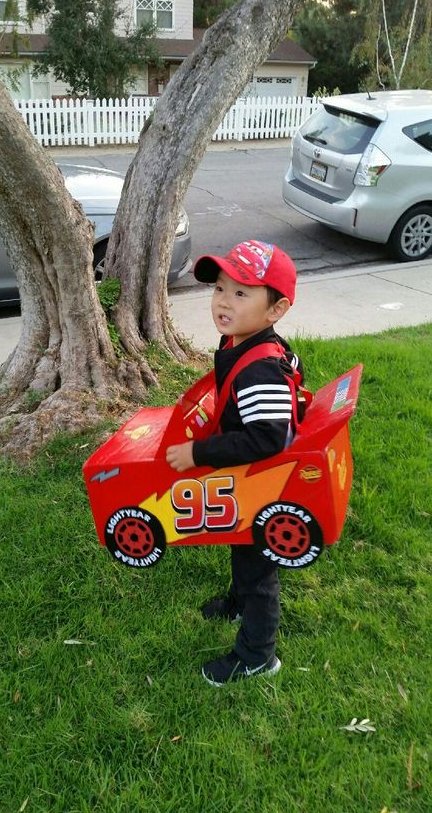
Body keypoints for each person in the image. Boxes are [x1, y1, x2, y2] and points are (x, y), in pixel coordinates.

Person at [166, 239, 303, 687]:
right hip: (247, 481)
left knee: (256, 565)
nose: (224, 301)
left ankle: (257, 655)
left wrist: (199, 454)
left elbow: (266, 438)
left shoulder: (260, 367)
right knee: (240, 542)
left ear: (276, 309)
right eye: (220, 288)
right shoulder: (241, 341)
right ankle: (238, 603)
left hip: (264, 482)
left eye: (241, 293)